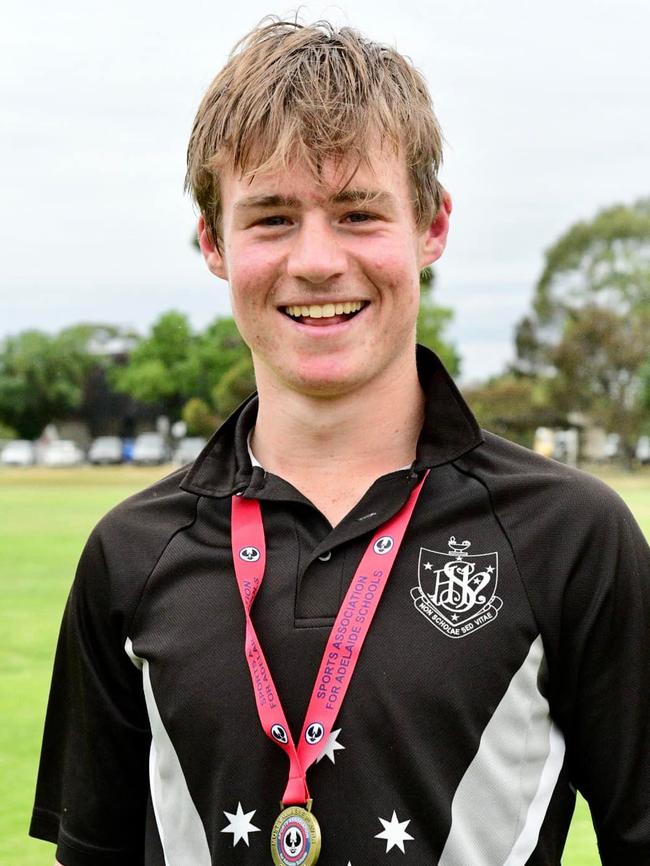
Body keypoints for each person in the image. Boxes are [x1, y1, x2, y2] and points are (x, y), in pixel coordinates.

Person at [31, 19, 650, 866]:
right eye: (272, 218)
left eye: (358, 213)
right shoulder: (130, 555)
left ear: (431, 226)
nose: (317, 261)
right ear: (214, 243)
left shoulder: (572, 537)